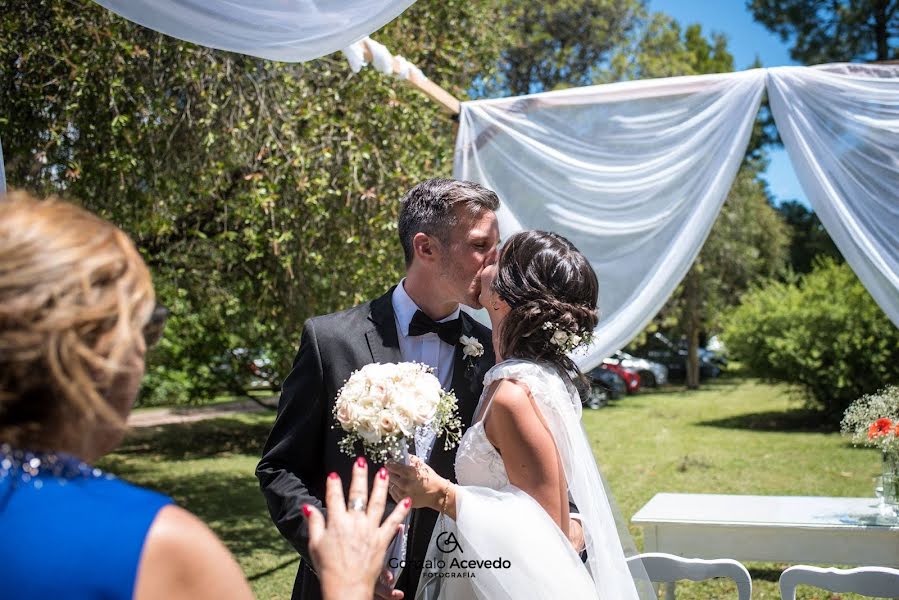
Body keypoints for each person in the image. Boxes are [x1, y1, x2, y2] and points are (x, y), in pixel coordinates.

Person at [0, 192, 407, 600]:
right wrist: (348, 584)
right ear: (101, 353)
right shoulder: (161, 547)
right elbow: (280, 467)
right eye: (148, 326)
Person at [256, 178, 501, 600]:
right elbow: (281, 470)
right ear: (426, 248)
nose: (493, 263)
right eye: (481, 247)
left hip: (450, 582)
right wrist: (337, 557)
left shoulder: (491, 352)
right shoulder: (330, 340)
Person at [386, 230, 656, 600]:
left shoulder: (515, 395)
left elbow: (548, 541)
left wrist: (442, 495)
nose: (485, 260)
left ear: (501, 296)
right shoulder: (520, 379)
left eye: (497, 260)